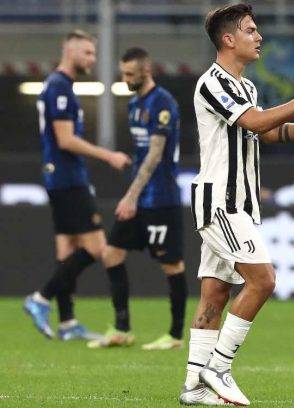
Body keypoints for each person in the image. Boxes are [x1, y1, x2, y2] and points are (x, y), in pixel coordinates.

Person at [179, 4, 294, 405]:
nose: (260, 37)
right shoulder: (211, 82)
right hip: (221, 200)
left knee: (216, 294)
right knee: (264, 280)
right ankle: (218, 367)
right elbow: (254, 122)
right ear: (228, 39)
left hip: (239, 203)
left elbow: (270, 133)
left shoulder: (247, 88)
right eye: (251, 30)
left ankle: (194, 387)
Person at [23, 30, 131, 341]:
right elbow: (65, 139)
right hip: (68, 178)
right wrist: (108, 155)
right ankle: (40, 298)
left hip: (60, 177)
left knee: (66, 250)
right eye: (87, 53)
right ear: (69, 52)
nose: (92, 60)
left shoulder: (62, 86)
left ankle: (67, 322)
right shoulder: (59, 87)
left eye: (93, 54)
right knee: (95, 247)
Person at [87, 47, 187, 351]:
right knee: (111, 253)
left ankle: (174, 335)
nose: (125, 78)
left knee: (171, 265)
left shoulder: (163, 103)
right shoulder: (133, 104)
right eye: (123, 73)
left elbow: (156, 155)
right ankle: (121, 328)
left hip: (161, 200)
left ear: (147, 71)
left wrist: (130, 196)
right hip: (141, 197)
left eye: (130, 74)